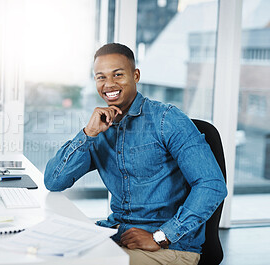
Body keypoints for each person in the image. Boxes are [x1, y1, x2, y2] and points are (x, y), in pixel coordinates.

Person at [44, 43, 227, 265]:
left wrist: (161, 236)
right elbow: (54, 181)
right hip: (117, 235)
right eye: (100, 77)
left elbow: (212, 185)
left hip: (169, 247)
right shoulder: (100, 127)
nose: (109, 84)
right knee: (48, 254)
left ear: (136, 75)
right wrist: (88, 133)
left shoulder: (166, 119)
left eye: (118, 75)